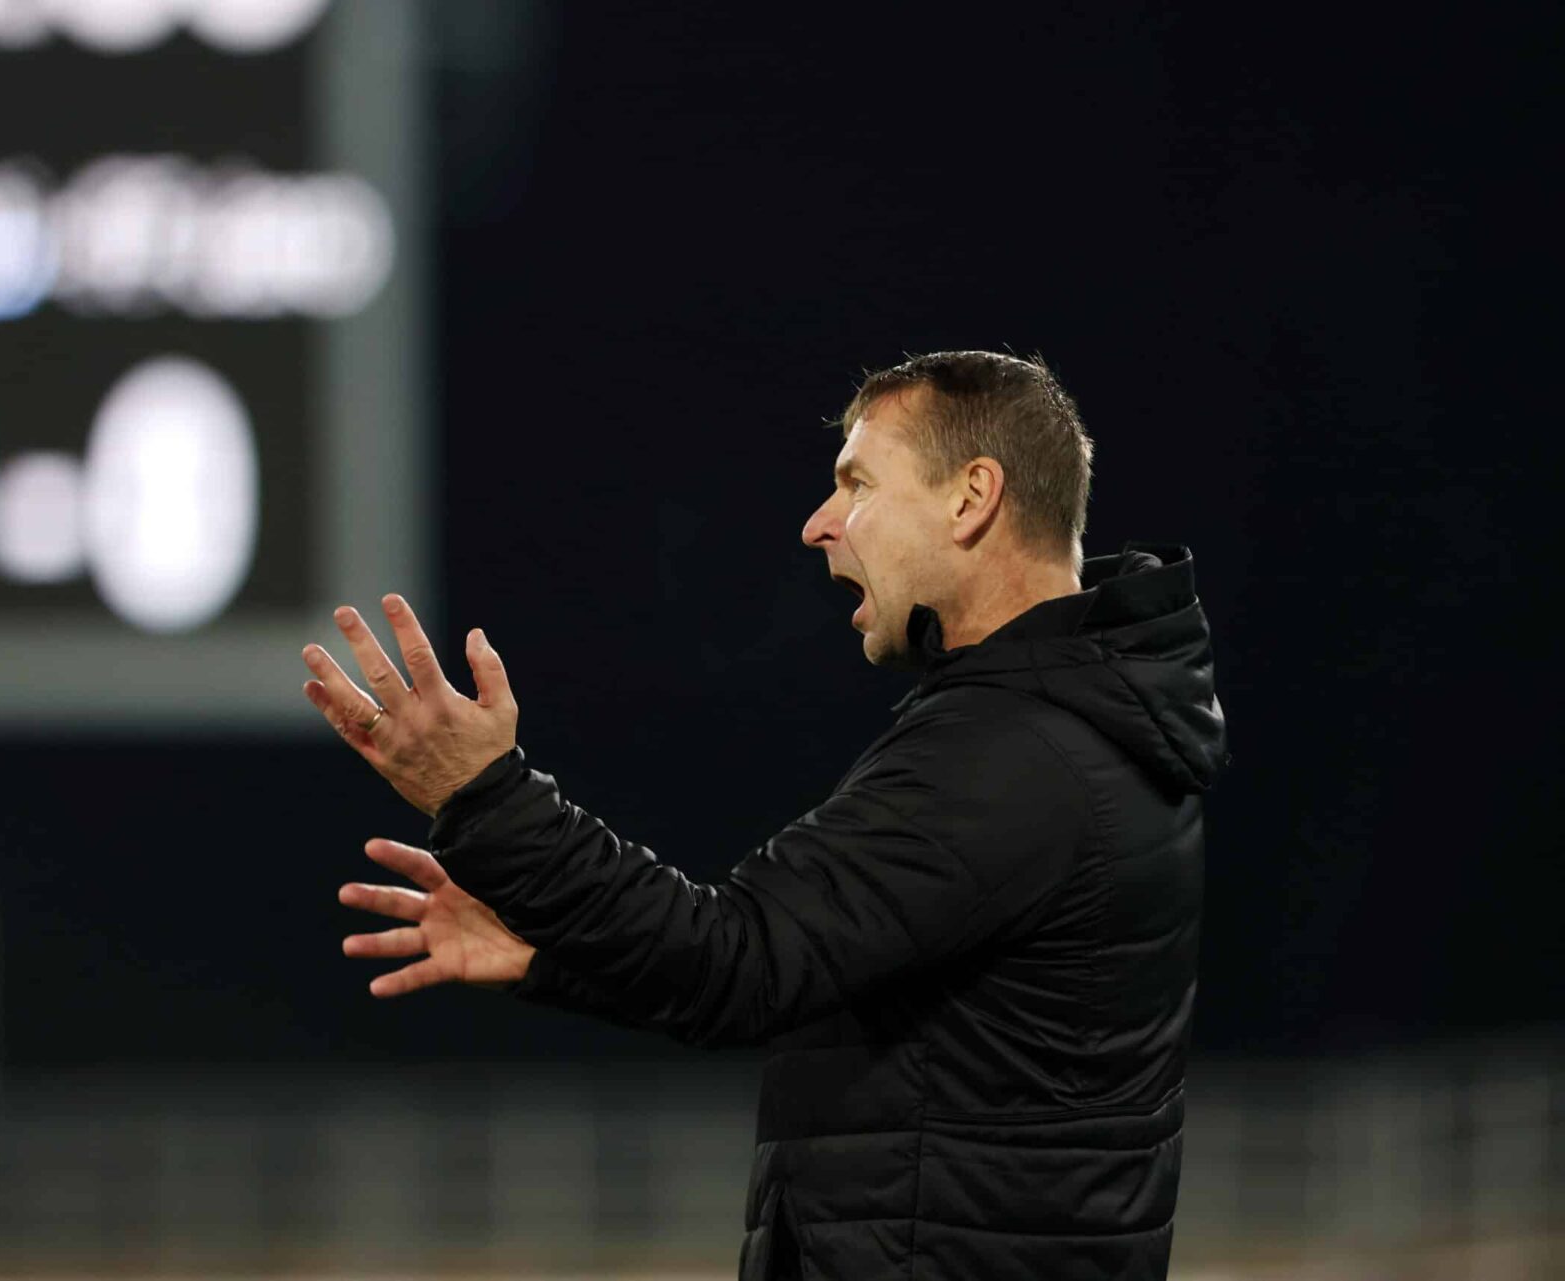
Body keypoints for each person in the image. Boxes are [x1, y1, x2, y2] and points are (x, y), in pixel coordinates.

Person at [301, 350, 1228, 1280]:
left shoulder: (1011, 754)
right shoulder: (1074, 724)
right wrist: (554, 949)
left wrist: (485, 795)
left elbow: (733, 963)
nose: (819, 523)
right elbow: (810, 979)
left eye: (858, 483)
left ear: (970, 498)